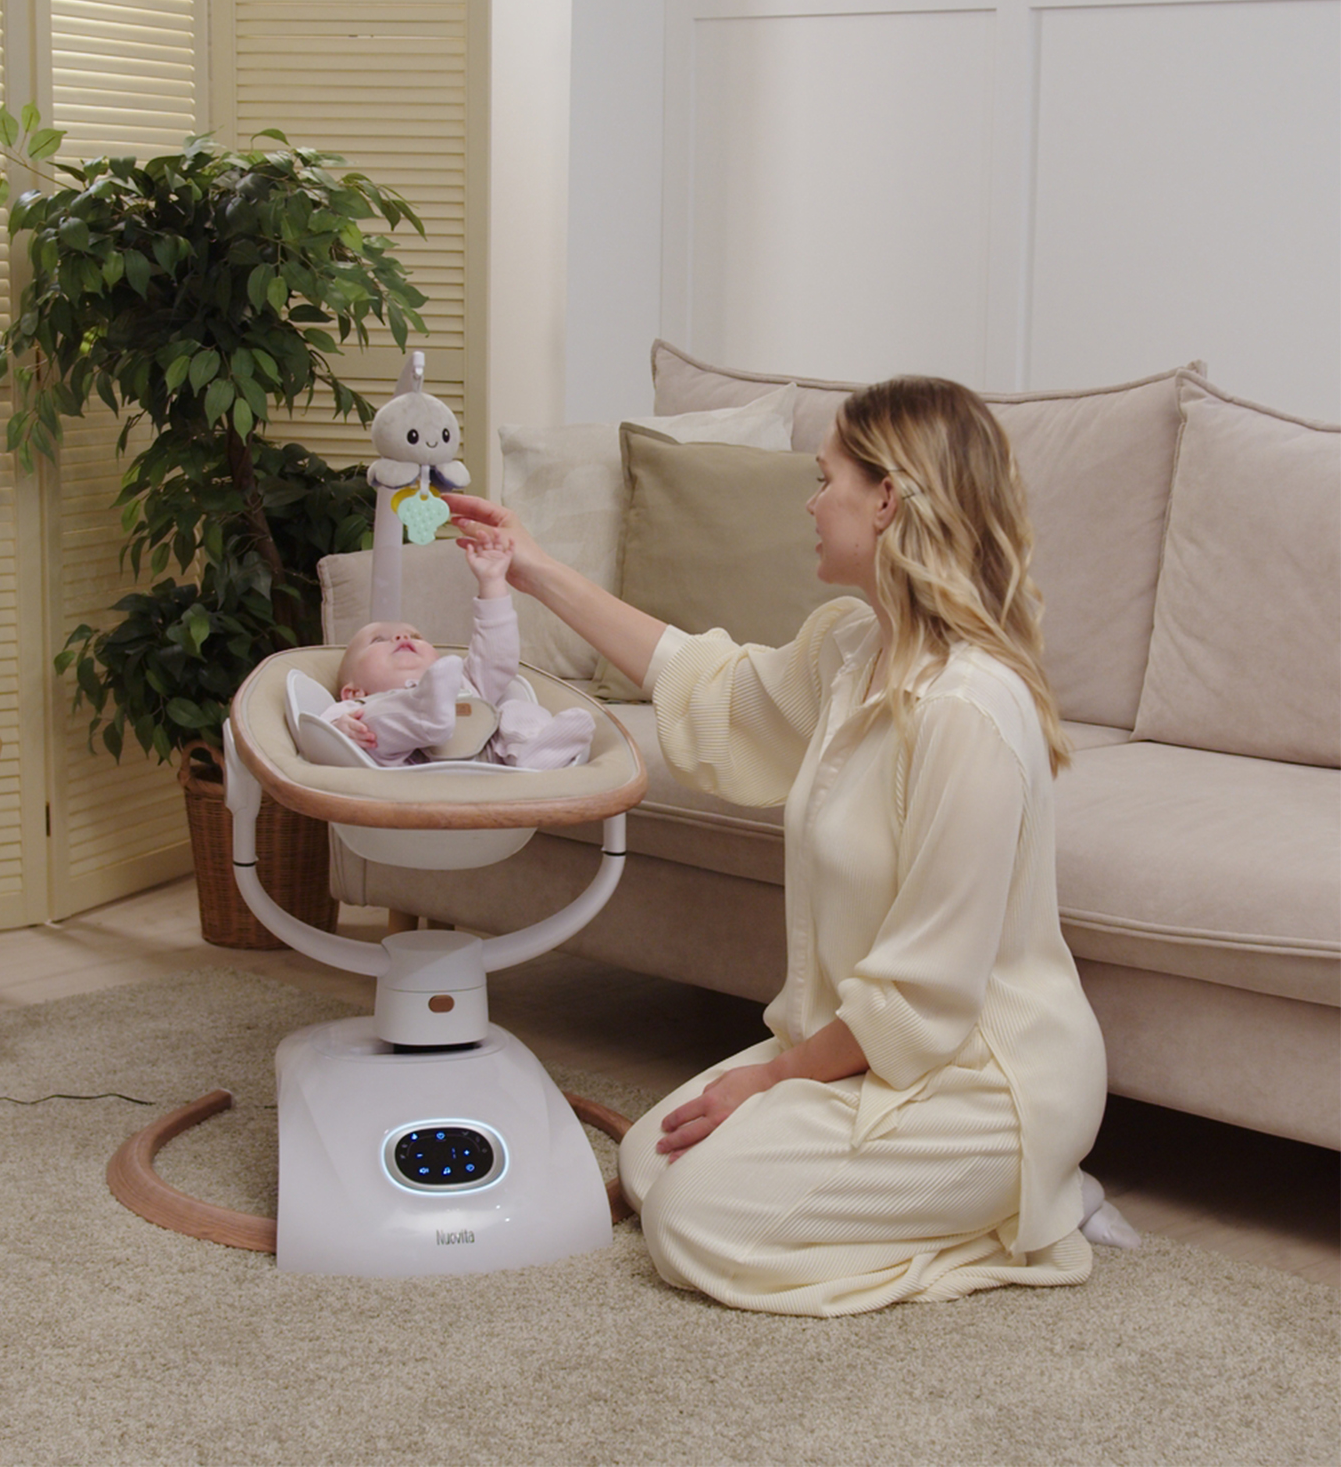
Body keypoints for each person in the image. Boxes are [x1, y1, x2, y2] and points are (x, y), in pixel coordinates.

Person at [445, 375, 1127, 1317]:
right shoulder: (854, 647)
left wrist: (768, 1079)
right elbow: (713, 686)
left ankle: (1032, 1207)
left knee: (690, 1224)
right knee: (649, 1161)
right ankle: (961, 1199)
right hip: (880, 1055)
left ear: (887, 500)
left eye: (825, 479)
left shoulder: (969, 711)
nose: (810, 503)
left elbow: (923, 1000)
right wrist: (533, 568)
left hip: (983, 1085)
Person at [323, 525, 595, 770]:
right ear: (353, 691)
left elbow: (497, 654)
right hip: (404, 764)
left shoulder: (466, 682)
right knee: (374, 721)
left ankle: (535, 750)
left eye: (416, 636)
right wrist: (340, 729)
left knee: (516, 708)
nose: (402, 637)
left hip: (486, 763)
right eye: (379, 640)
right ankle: (421, 709)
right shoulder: (354, 705)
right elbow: (318, 735)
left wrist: (492, 582)